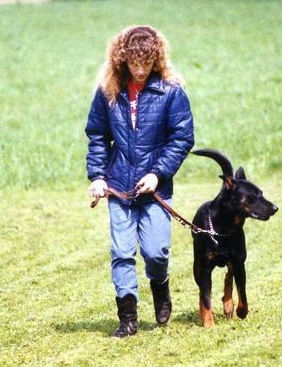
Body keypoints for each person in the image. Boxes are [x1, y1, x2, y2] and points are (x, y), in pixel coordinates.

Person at [85, 25, 194, 338]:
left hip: (155, 188)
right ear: (123, 60)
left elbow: (182, 137)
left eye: (146, 65)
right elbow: (97, 136)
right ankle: (127, 319)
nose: (140, 70)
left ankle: (160, 288)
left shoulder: (171, 92)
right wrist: (97, 176)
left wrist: (157, 173)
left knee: (156, 253)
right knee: (121, 252)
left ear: (156, 60)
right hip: (119, 186)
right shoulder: (108, 91)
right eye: (135, 65)